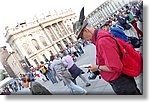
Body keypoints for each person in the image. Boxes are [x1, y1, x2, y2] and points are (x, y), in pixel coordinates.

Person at [72, 7, 142, 95]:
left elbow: (116, 67)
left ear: (86, 30)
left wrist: (97, 67)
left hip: (121, 82)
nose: (83, 40)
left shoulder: (102, 41)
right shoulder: (99, 37)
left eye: (81, 37)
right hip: (122, 80)